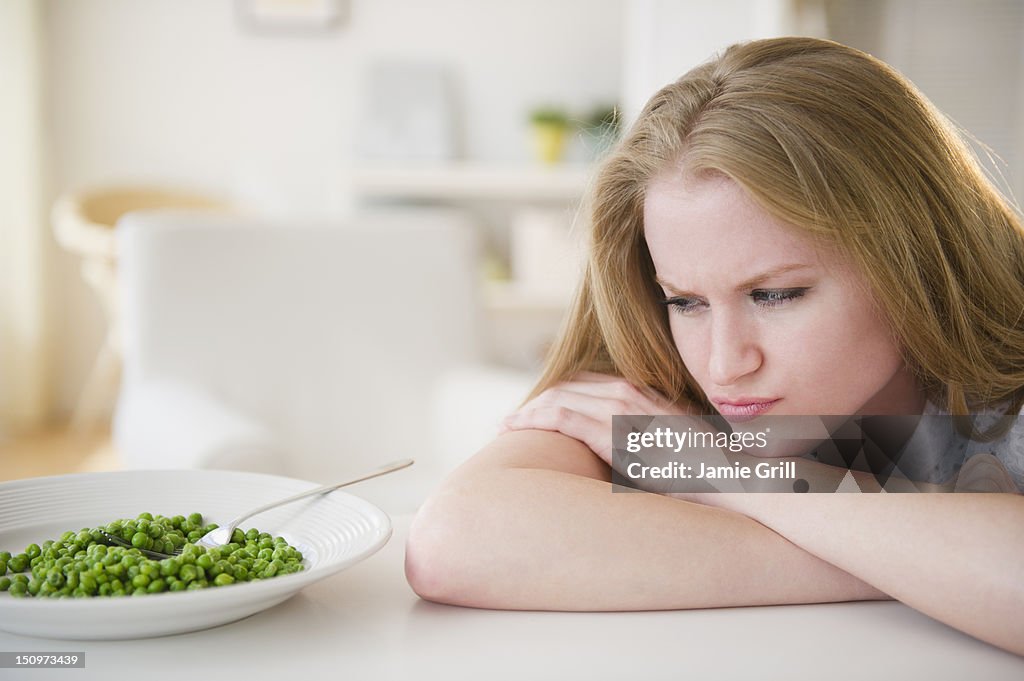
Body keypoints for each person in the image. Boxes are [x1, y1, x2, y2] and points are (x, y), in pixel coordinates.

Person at [405, 36, 1024, 656]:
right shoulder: (654, 359)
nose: (725, 365)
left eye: (777, 295)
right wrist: (928, 566)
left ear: (916, 256)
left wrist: (730, 475)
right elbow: (454, 541)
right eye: (686, 302)